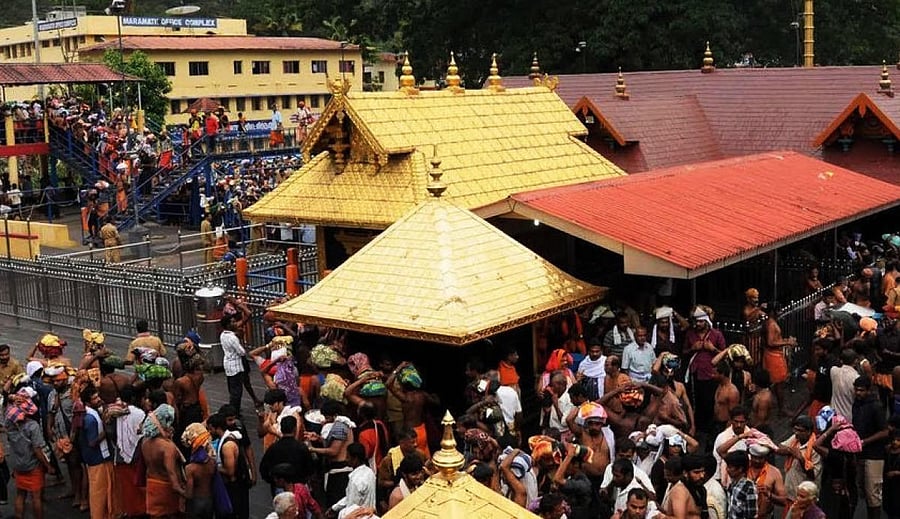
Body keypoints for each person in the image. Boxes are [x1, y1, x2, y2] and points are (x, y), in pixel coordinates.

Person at [6, 387, 53, 519]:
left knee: (20, 494)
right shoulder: (32, 426)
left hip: (18, 465)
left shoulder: (10, 423)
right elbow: (38, 449)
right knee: (36, 497)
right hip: (32, 466)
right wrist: (48, 466)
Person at [684, 306, 726, 436]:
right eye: (696, 321)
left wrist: (712, 349)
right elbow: (684, 352)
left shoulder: (716, 334)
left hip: (711, 374)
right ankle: (698, 426)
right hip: (695, 373)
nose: (698, 324)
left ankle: (710, 427)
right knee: (696, 401)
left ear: (706, 321)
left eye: (701, 321)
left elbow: (725, 353)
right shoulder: (690, 334)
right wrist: (693, 349)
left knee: (710, 401)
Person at [141, 403, 186, 519]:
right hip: (166, 489)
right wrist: (185, 493)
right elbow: (172, 474)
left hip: (151, 484)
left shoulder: (145, 442)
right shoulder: (167, 448)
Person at [308, 399, 355, 507]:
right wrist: (319, 439)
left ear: (335, 415)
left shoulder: (340, 427)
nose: (325, 420)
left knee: (335, 501)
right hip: (338, 468)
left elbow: (334, 451)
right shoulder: (340, 425)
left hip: (340, 469)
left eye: (327, 418)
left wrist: (312, 449)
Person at [853, 374, 888, 519]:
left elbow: (884, 431)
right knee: (864, 491)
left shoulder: (876, 407)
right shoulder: (857, 404)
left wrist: (865, 441)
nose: (858, 393)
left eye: (861, 390)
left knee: (873, 493)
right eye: (856, 390)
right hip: (860, 453)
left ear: (868, 390)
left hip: (874, 455)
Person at [79, 386, 115, 519]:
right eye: (95, 398)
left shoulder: (91, 413)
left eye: (97, 396)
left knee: (106, 490)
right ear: (88, 402)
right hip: (97, 459)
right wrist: (106, 431)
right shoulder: (90, 419)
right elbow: (92, 442)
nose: (98, 399)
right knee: (99, 493)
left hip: (99, 458)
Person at [209, 412, 251, 519]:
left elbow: (230, 471)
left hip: (233, 488)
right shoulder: (227, 438)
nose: (210, 432)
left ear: (217, 428)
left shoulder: (227, 446)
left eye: (211, 429)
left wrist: (214, 466)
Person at [775, 415, 822, 512]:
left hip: (805, 499)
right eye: (795, 430)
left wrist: (801, 458)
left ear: (808, 432)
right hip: (790, 495)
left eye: (800, 431)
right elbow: (779, 448)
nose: (796, 433)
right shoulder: (795, 439)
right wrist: (790, 451)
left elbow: (813, 475)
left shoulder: (816, 448)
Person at [259, 415, 314, 496]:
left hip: (279, 487)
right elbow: (310, 469)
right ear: (295, 429)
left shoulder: (274, 447)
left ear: (281, 429)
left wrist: (274, 482)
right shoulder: (302, 448)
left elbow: (263, 469)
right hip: (298, 486)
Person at [180, 422, 216, 519]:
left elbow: (189, 494)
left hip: (195, 503)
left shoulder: (190, 468)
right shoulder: (212, 462)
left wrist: (179, 490)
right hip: (209, 501)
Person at [658, 454, 709, 519]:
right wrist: (662, 517)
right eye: (696, 472)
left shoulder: (701, 490)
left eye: (703, 471)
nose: (702, 476)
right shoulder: (679, 490)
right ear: (685, 473)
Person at [331, 442, 377, 515]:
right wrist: (335, 508)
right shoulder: (370, 472)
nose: (346, 459)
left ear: (355, 459)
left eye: (348, 457)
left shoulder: (355, 480)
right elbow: (350, 496)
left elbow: (352, 506)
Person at [221, 314, 253, 414]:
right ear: (227, 325)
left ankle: (234, 408)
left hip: (228, 365)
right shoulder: (232, 337)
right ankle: (234, 411)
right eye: (232, 322)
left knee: (232, 389)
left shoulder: (223, 335)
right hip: (235, 366)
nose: (235, 323)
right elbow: (241, 351)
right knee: (237, 392)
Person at [746, 444, 787, 518]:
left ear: (766, 457)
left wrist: (769, 494)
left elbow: (784, 501)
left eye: (761, 458)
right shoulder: (743, 468)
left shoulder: (774, 472)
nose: (757, 461)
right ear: (750, 456)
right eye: (755, 457)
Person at [724, 450, 757, 519]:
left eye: (730, 467)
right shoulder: (732, 485)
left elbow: (751, 515)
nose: (727, 469)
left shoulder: (748, 487)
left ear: (740, 469)